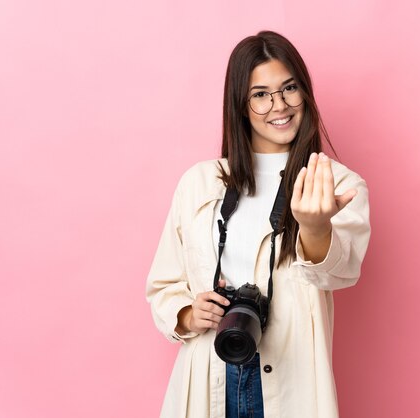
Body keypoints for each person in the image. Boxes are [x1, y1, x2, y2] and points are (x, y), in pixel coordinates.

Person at [146, 30, 370, 418]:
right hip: (209, 370)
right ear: (241, 104)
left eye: (289, 88)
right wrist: (189, 313)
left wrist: (314, 227)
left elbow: (339, 272)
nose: (279, 105)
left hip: (290, 380)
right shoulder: (199, 182)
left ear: (305, 92)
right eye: (260, 94)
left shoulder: (335, 184)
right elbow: (163, 286)